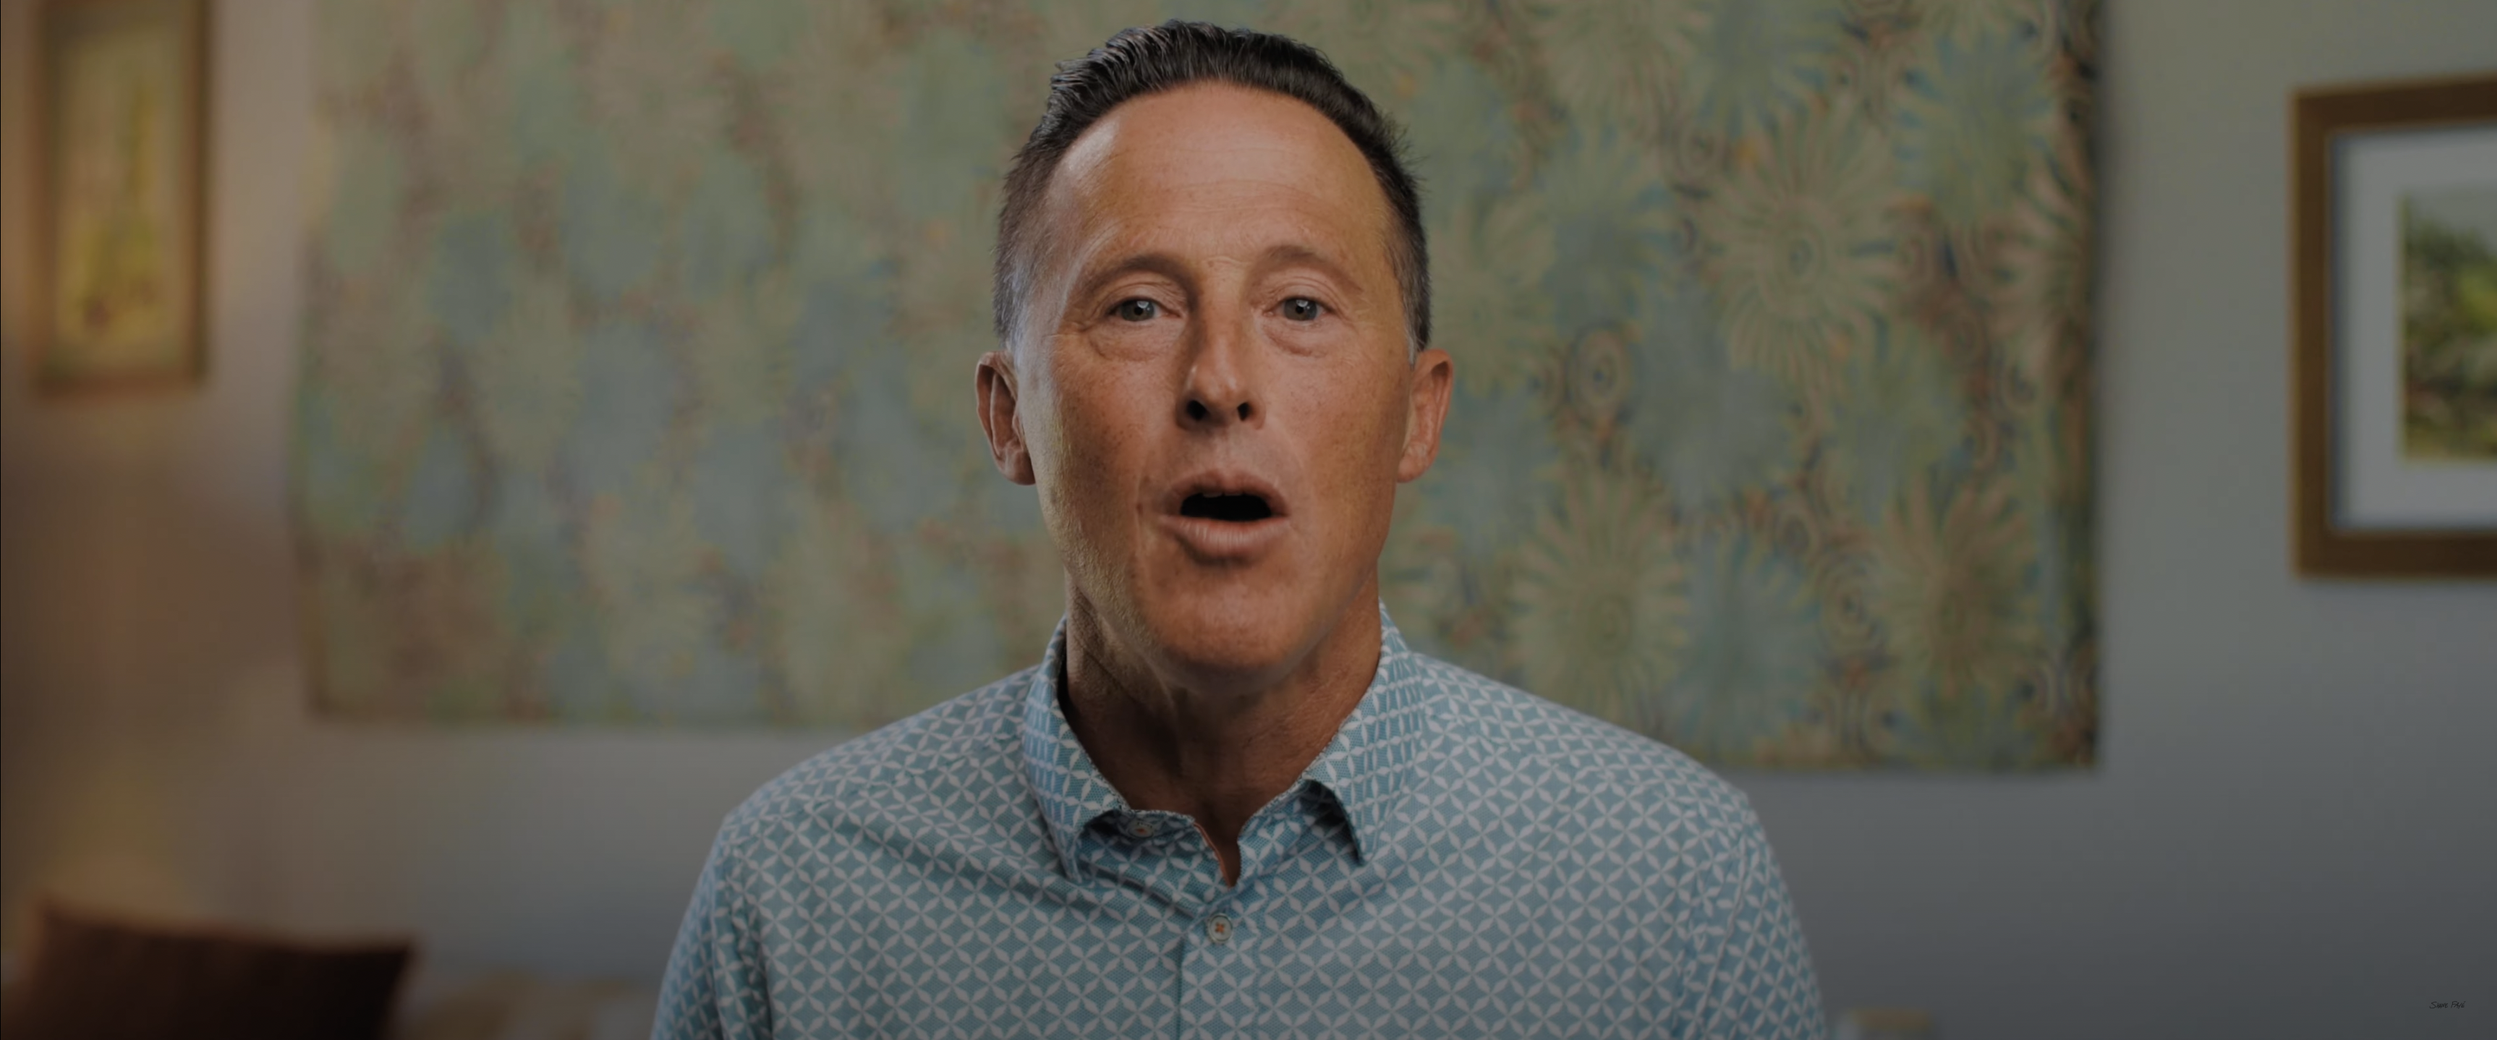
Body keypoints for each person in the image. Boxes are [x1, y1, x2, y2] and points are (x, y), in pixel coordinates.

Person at [656, 20, 1824, 1039]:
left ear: (1416, 416)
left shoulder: (1672, 884)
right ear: (1010, 421)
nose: (1220, 379)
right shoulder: (793, 896)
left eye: (1300, 305)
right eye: (1139, 306)